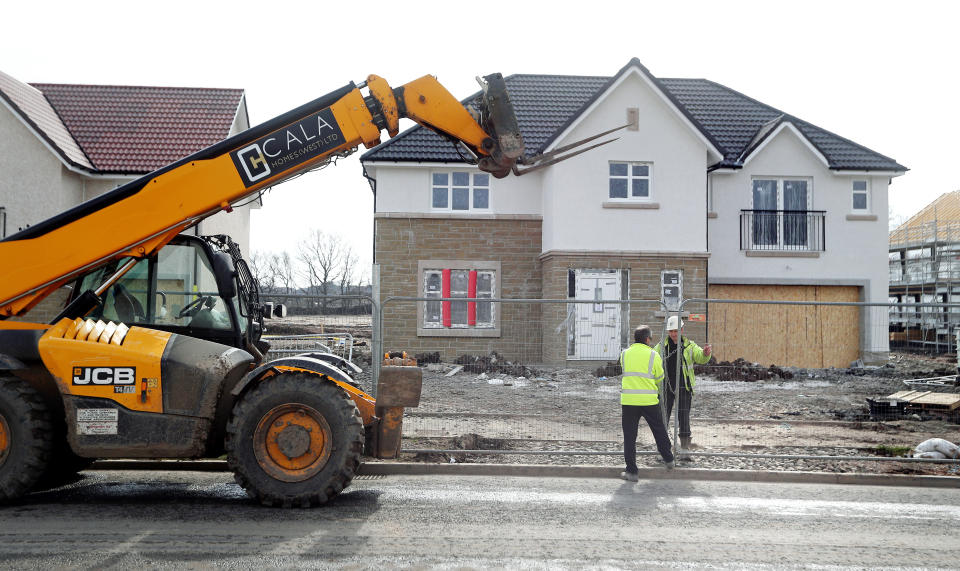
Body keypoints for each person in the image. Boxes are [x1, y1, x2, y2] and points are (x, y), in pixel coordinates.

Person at [618, 325, 675, 482]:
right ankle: (669, 459)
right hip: (649, 400)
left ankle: (631, 472)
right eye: (651, 338)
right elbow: (659, 377)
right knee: (659, 430)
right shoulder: (653, 355)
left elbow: (625, 372)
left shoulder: (624, 354)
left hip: (629, 401)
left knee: (630, 436)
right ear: (647, 339)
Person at [655, 315, 712, 460]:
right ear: (668, 332)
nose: (674, 334)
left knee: (684, 418)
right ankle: (663, 450)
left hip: (684, 387)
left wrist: (706, 353)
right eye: (671, 331)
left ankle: (685, 450)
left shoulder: (689, 345)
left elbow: (700, 357)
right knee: (663, 418)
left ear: (682, 330)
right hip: (666, 388)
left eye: (676, 330)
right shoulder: (661, 346)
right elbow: (652, 357)